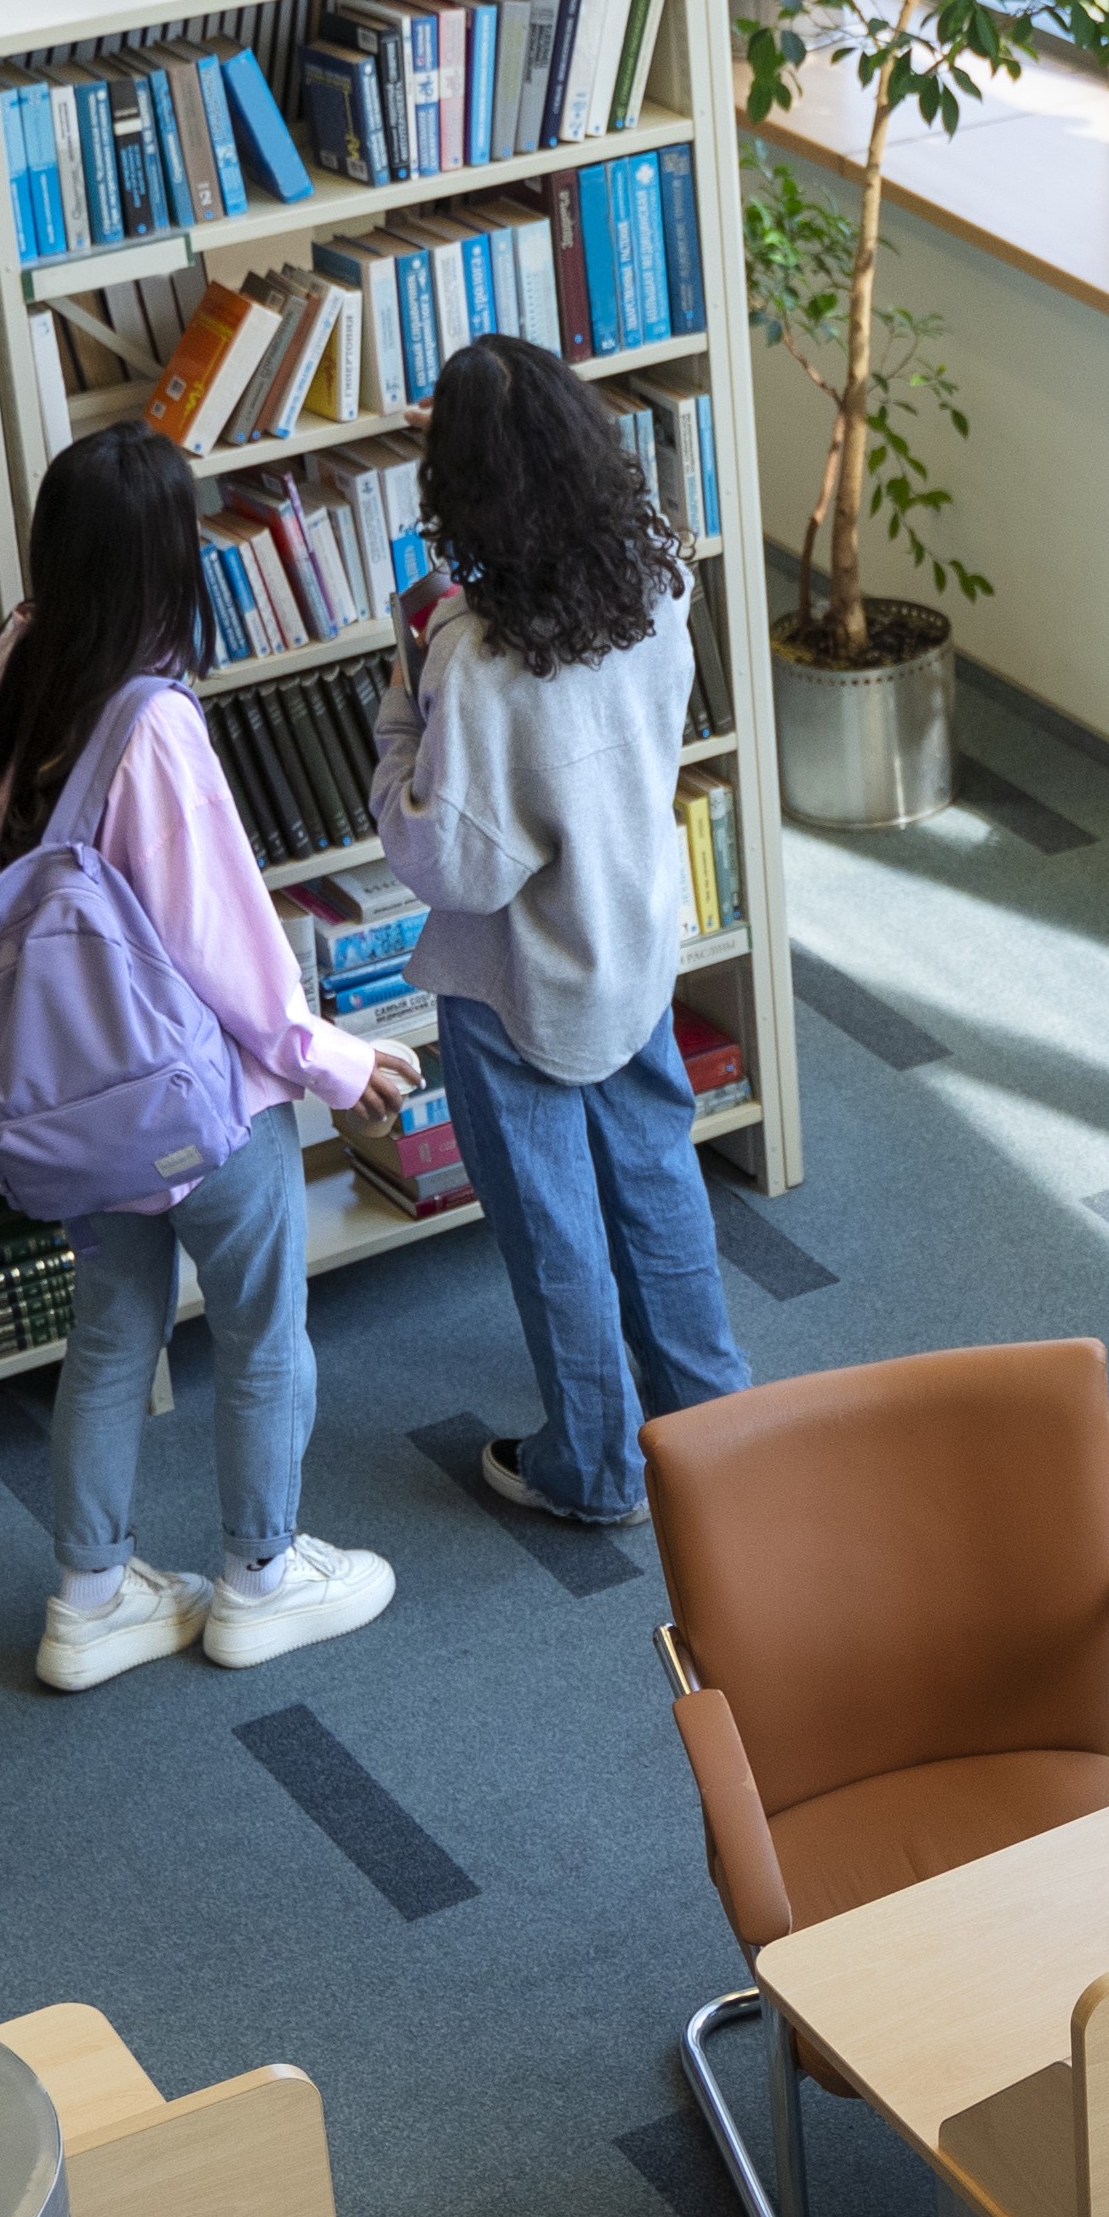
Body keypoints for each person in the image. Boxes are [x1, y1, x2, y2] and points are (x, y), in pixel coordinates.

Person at [0, 420, 418, 1690]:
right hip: (189, 1110)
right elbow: (223, 945)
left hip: (64, 1107)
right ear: (166, 565)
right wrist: (334, 1060)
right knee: (264, 1324)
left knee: (113, 1330)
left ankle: (89, 1600)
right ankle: (259, 1582)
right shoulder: (149, 724)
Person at [371, 333, 749, 1526]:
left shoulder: (472, 660)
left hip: (515, 981)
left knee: (552, 1228)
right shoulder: (656, 579)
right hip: (631, 938)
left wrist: (401, 704)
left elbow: (453, 861)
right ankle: (721, 1432)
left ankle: (593, 1467)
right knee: (655, 1176)